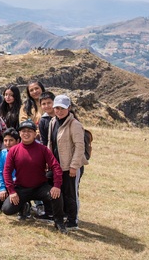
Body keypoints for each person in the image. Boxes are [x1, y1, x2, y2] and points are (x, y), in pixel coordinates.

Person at [2, 120, 67, 233]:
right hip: (21, 188)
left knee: (57, 195)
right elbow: (7, 171)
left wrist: (57, 185)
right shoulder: (13, 150)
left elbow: (56, 167)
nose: (26, 134)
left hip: (40, 187)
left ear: (35, 133)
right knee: (7, 209)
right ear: (20, 133)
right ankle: (24, 206)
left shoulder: (43, 149)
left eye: (29, 131)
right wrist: (11, 191)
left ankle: (59, 222)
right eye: (23, 131)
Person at [48, 95, 87, 230]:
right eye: (57, 108)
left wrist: (74, 166)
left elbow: (79, 146)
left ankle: (72, 220)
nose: (59, 111)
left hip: (71, 166)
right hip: (57, 165)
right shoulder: (53, 121)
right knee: (62, 192)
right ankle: (63, 215)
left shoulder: (75, 124)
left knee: (71, 194)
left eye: (62, 108)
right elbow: (50, 143)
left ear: (69, 108)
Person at [0, 128, 21, 212]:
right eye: (5, 140)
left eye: (11, 140)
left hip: (17, 186)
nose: (8, 143)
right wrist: (2, 188)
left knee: (8, 208)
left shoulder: (22, 153)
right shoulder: (3, 153)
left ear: (17, 141)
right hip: (5, 185)